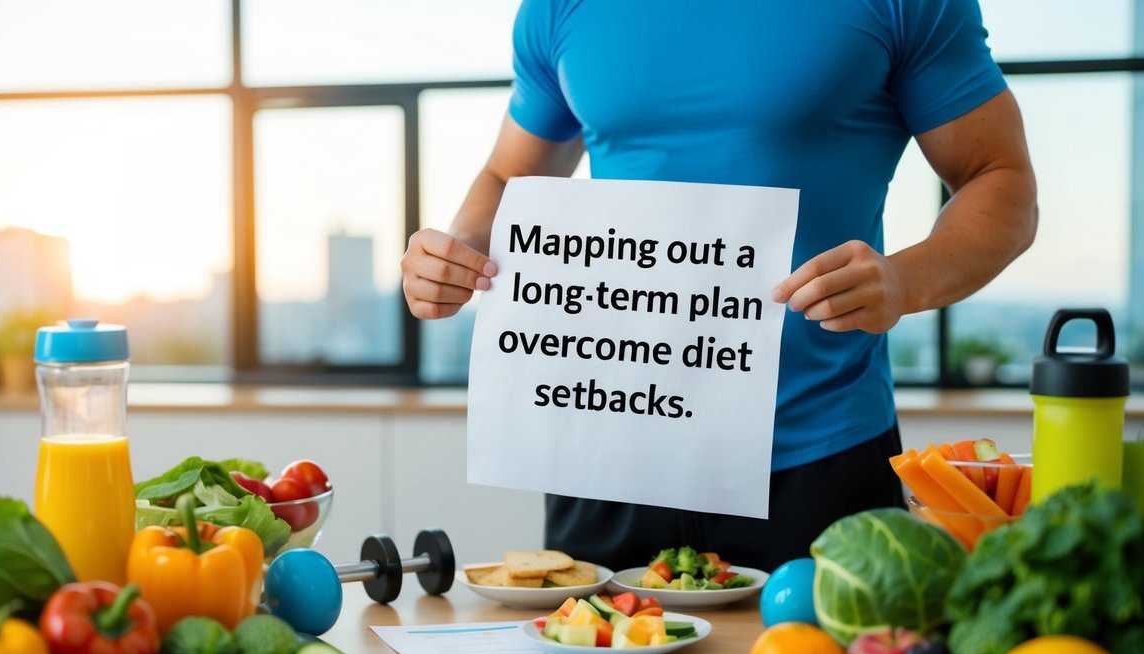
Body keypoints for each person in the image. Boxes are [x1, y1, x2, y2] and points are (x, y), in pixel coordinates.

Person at [400, 0, 1037, 574]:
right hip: (606, 435)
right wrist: (460, 251)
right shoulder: (557, 8)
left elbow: (1000, 179)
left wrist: (906, 279)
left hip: (814, 447)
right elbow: (511, 173)